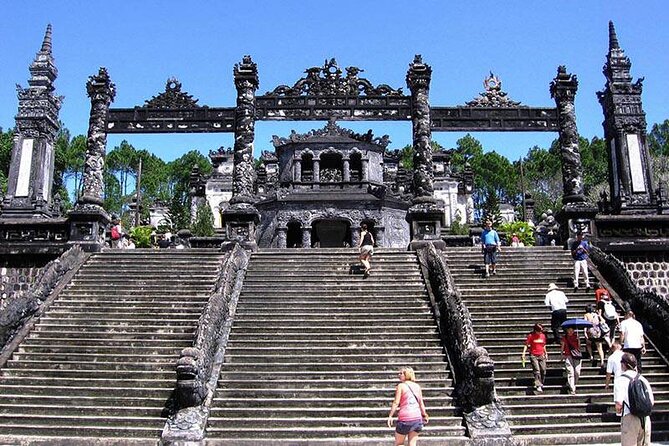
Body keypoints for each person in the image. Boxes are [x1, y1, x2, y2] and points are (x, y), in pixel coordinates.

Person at [614, 353, 654, 446]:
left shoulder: (620, 380)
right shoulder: (643, 379)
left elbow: (618, 405)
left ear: (623, 365)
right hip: (645, 419)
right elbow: (651, 401)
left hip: (630, 417)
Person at [387, 366, 429, 446]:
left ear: (407, 374)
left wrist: (390, 415)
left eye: (401, 373)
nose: (399, 375)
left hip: (405, 418)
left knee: (399, 443)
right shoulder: (417, 386)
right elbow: (421, 403)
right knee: (412, 444)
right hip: (416, 418)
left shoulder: (401, 386)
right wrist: (424, 414)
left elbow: (396, 402)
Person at [522, 323, 548, 393]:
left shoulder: (543, 336)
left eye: (541, 330)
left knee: (543, 369)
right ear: (535, 330)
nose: (540, 332)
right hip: (533, 355)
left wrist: (546, 353)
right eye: (539, 331)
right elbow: (526, 345)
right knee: (537, 370)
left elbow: (543, 345)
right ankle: (538, 385)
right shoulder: (531, 336)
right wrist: (523, 353)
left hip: (541, 354)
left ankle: (541, 382)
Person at [562, 326, 582, 395]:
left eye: (572, 330)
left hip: (576, 355)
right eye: (569, 330)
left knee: (577, 372)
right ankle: (572, 388)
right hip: (568, 355)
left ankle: (573, 383)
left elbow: (579, 347)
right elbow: (562, 346)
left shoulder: (576, 336)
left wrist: (578, 340)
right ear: (567, 330)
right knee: (570, 371)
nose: (570, 332)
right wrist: (562, 354)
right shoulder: (565, 337)